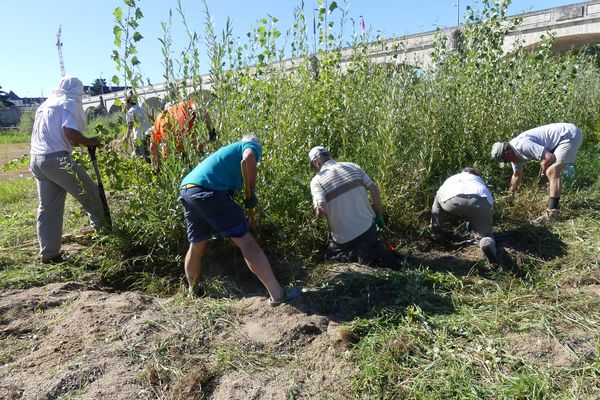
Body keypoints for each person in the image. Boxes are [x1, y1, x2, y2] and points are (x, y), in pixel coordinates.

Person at [178, 134, 300, 306]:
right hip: (207, 191)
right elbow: (249, 157)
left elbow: (225, 198)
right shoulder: (249, 145)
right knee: (245, 240)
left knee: (197, 243)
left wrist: (242, 220)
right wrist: (252, 189)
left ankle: (194, 291)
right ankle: (278, 295)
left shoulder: (226, 156)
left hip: (188, 190)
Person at [29, 76, 109, 263]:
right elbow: (70, 132)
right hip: (57, 160)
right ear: (77, 91)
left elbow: (68, 137)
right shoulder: (68, 102)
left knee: (48, 208)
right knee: (92, 196)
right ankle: (109, 240)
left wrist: (81, 142)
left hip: (37, 161)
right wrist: (90, 141)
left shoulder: (45, 105)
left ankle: (49, 254)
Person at [308, 146, 398, 268]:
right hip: (368, 230)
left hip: (345, 239)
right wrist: (378, 215)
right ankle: (366, 249)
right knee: (370, 244)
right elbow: (375, 191)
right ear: (329, 156)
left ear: (316, 163)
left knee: (330, 255)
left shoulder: (316, 181)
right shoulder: (353, 166)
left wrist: (319, 215)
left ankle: (357, 254)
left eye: (313, 168)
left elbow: (322, 210)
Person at [491, 123, 584, 225]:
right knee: (551, 172)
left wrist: (542, 175)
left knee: (552, 172)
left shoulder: (521, 145)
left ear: (507, 153)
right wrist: (509, 196)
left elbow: (549, 158)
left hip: (568, 135)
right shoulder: (514, 154)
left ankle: (552, 214)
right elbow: (517, 175)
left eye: (506, 161)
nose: (508, 163)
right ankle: (555, 201)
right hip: (560, 139)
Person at [430, 167, 499, 264]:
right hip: (479, 200)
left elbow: (439, 196)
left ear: (463, 173)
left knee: (437, 199)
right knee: (486, 235)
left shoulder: (453, 178)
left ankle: (436, 234)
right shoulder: (479, 180)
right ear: (475, 174)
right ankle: (486, 244)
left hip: (451, 199)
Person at [149, 100, 217, 167]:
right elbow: (201, 109)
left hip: (172, 158)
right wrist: (212, 131)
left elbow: (153, 146)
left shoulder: (160, 117)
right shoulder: (185, 104)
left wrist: (156, 167)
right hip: (192, 150)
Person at [125, 95, 151, 162]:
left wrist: (126, 137)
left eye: (126, 104)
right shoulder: (143, 108)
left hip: (139, 137)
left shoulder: (130, 112)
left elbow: (130, 126)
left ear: (129, 103)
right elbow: (150, 118)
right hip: (148, 134)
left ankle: (147, 170)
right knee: (149, 154)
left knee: (140, 156)